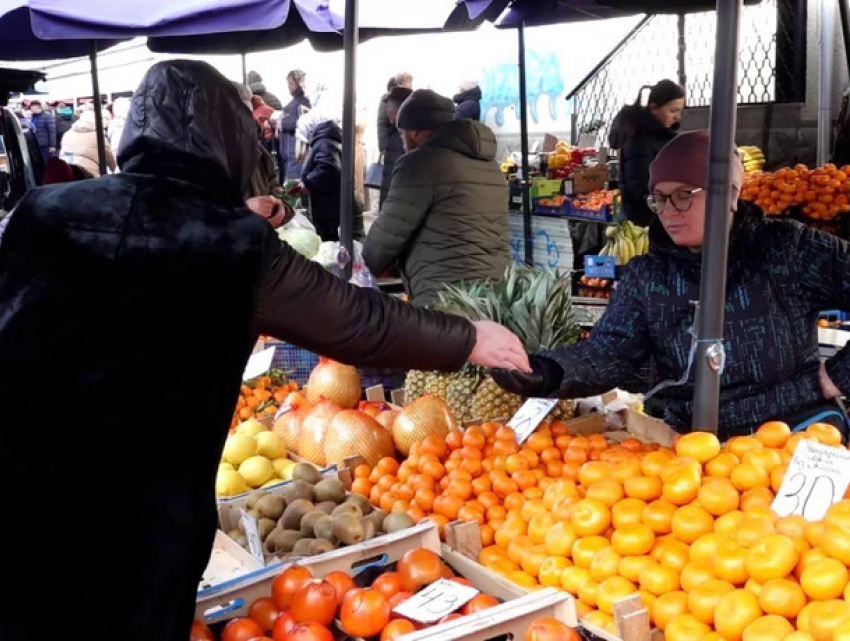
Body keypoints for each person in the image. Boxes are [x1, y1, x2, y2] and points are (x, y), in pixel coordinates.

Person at [0, 60, 529, 641]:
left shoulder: (41, 212)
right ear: (229, 138)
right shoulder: (230, 243)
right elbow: (353, 319)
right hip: (144, 517)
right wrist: (468, 336)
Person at [492, 130, 850, 440]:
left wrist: (836, 376)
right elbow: (610, 352)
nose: (670, 210)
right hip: (686, 445)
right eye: (660, 198)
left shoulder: (790, 249)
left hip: (791, 431)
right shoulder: (649, 275)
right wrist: (546, 371)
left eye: (684, 194)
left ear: (730, 193)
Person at [363, 89, 510, 307]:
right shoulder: (490, 166)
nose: (402, 139)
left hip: (446, 297)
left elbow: (387, 236)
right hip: (496, 296)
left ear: (414, 131)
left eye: (402, 132)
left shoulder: (418, 164)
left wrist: (360, 267)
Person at [609, 79, 685, 227]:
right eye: (673, 111)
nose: (677, 117)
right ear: (654, 107)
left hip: (658, 216)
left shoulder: (660, 136)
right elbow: (641, 189)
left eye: (679, 111)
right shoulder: (640, 140)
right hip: (645, 221)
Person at [292, 111, 365, 242]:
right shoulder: (329, 141)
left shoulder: (324, 143)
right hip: (334, 207)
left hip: (332, 211)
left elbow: (328, 167)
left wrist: (308, 183)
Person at [377, 73, 413, 208]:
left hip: (404, 139)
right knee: (390, 176)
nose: (410, 85)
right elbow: (381, 123)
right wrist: (383, 145)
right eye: (408, 82)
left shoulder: (411, 97)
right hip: (393, 141)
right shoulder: (387, 99)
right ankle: (385, 207)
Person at [59, 108, 117, 177]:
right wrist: (114, 169)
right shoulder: (98, 136)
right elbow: (109, 157)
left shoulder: (68, 133)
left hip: (66, 169)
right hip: (88, 172)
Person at [278, 69, 311, 182]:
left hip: (295, 156)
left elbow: (299, 121)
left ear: (299, 83)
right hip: (289, 156)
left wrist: (280, 122)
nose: (289, 87)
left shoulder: (304, 102)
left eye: (291, 83)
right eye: (288, 83)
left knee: (291, 191)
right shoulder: (296, 102)